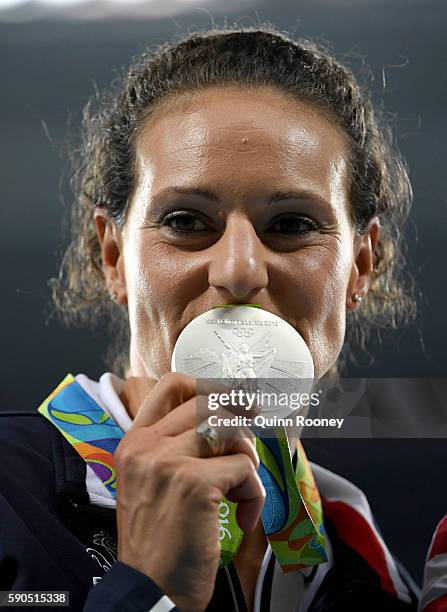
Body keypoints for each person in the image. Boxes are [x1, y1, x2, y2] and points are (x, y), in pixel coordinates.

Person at [1, 24, 442, 611]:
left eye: (290, 224)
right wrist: (148, 587)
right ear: (112, 257)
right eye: (185, 221)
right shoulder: (7, 492)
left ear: (360, 267)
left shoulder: (367, 567)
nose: (238, 270)